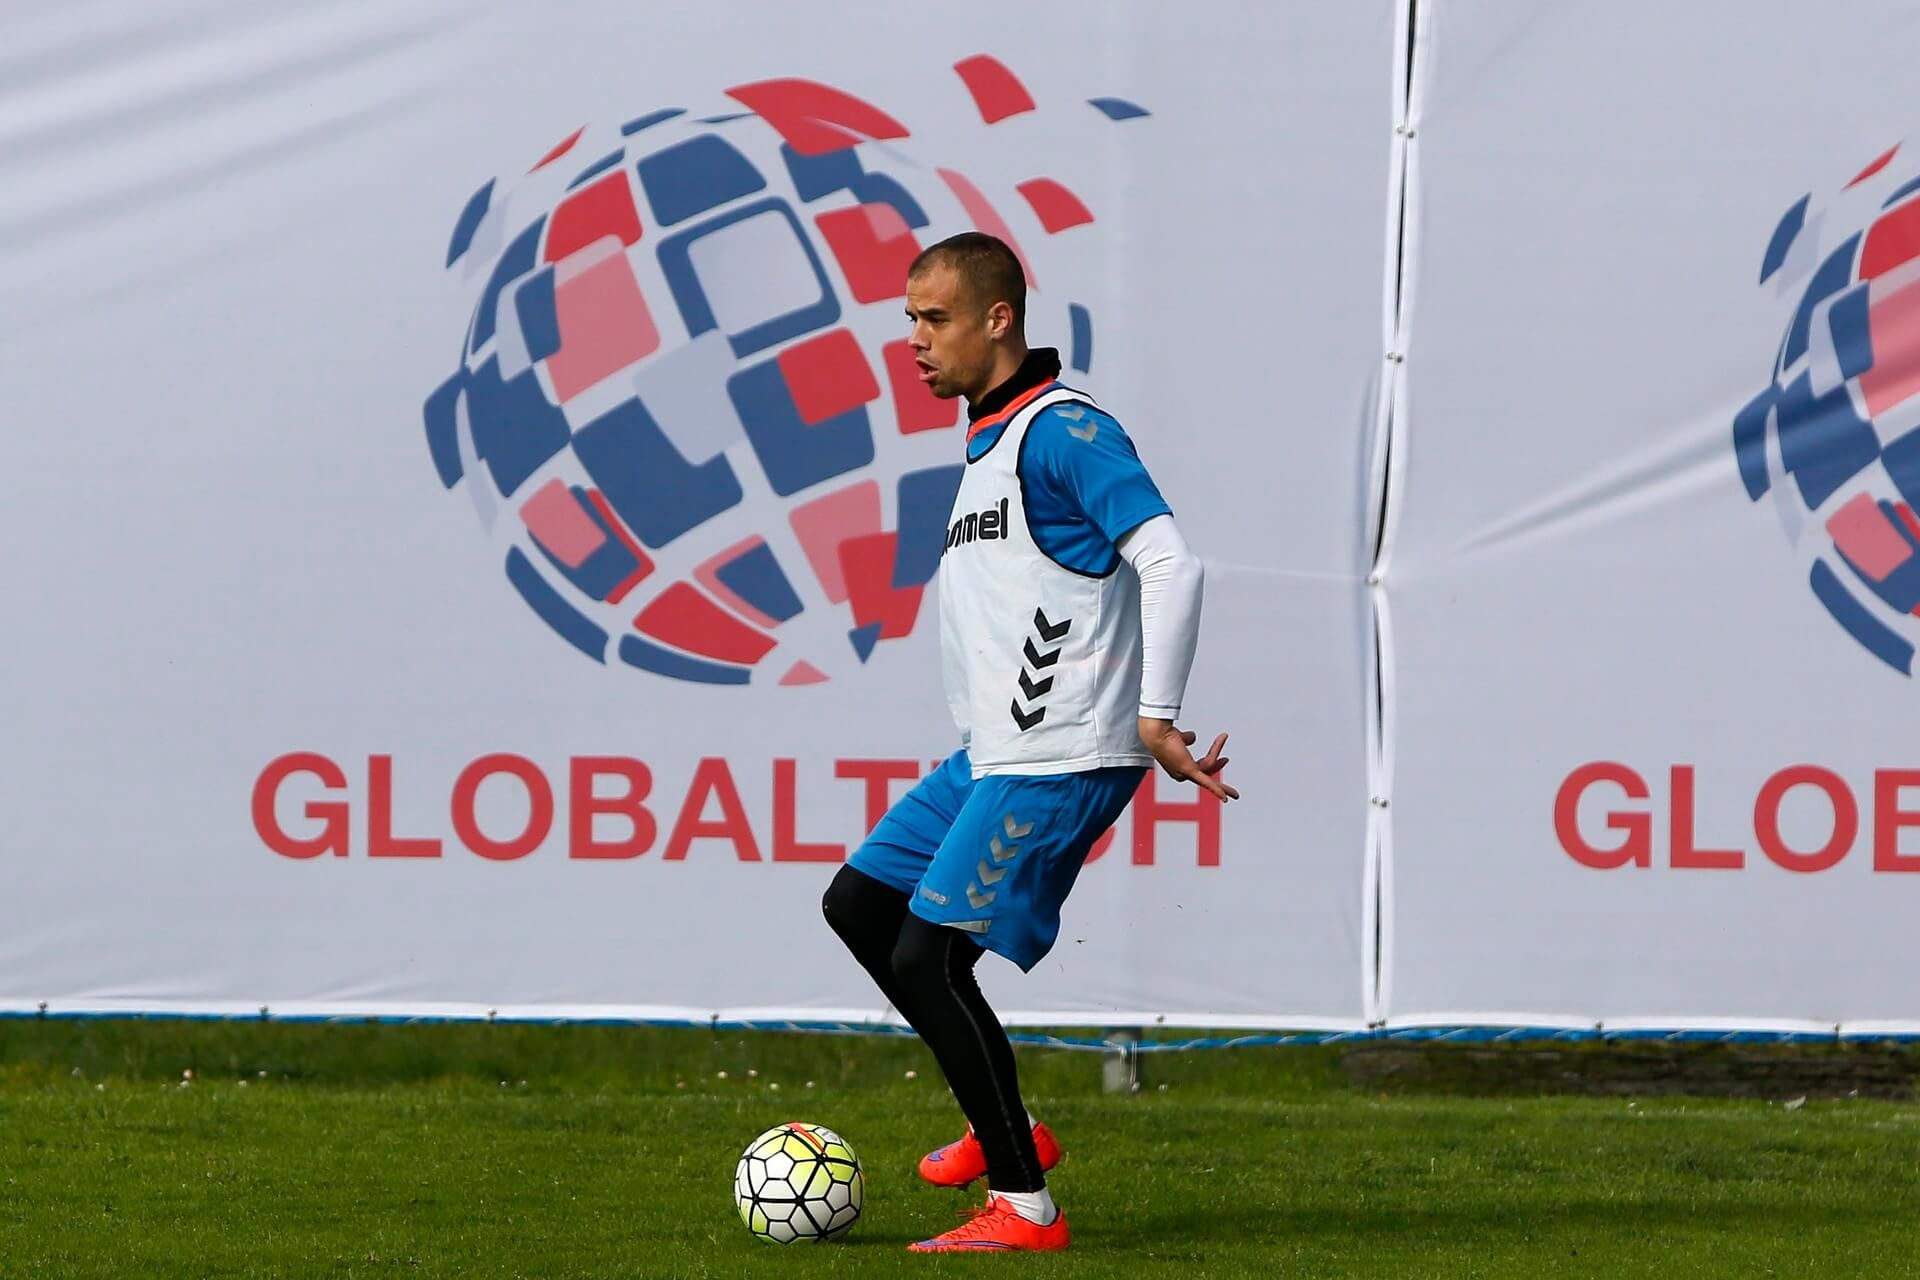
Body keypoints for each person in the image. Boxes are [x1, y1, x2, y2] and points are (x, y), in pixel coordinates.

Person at [820, 231, 1236, 1254]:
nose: (915, 341)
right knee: (861, 904)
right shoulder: (989, 439)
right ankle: (1005, 1126)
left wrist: (1155, 713)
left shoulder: (1064, 430)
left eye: (936, 319)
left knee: (928, 957)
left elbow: (1173, 563)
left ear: (998, 319)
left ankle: (1024, 1205)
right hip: (993, 752)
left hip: (1064, 750)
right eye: (910, 320)